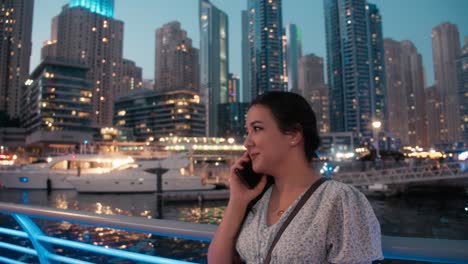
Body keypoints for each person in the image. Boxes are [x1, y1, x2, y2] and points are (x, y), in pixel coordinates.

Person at [208, 91, 383, 263]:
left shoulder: (340, 200)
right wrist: (237, 200)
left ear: (294, 134)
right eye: (248, 131)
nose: (247, 142)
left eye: (257, 129)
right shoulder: (258, 200)